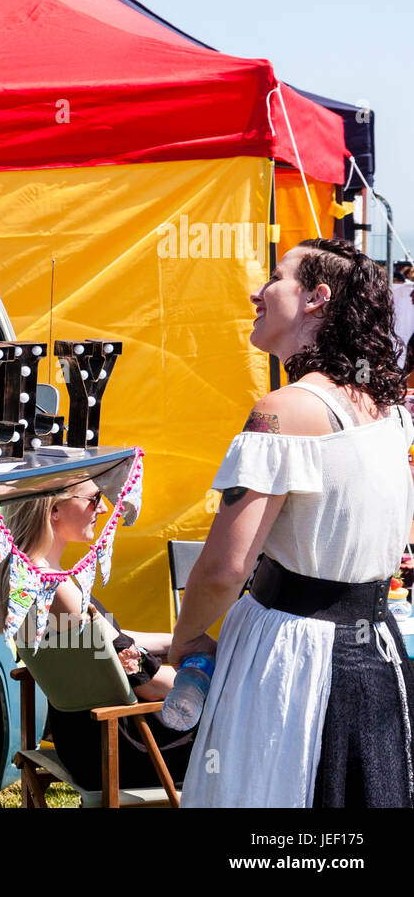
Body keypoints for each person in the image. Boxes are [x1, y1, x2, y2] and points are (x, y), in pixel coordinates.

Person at [171, 238, 414, 808]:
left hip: (292, 656)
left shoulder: (281, 412)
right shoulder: (385, 407)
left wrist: (187, 639)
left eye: (275, 278)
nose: (258, 291)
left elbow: (224, 569)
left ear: (316, 298)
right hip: (376, 650)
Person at [0, 483, 194, 792]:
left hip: (82, 741)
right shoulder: (59, 592)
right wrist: (213, 679)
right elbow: (148, 684)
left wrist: (182, 641)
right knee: (235, 726)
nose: (104, 508)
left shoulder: (26, 577)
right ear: (53, 510)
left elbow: (116, 639)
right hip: (122, 747)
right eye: (93, 499)